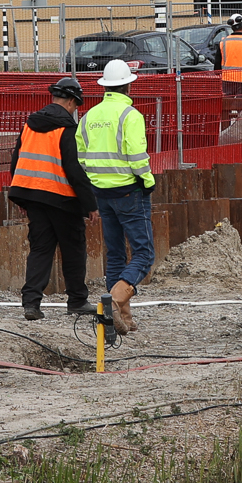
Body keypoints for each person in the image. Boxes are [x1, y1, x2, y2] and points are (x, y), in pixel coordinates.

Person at [8, 76, 97, 321]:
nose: (75, 111)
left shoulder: (30, 124)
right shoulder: (66, 127)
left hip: (32, 196)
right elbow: (73, 168)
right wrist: (90, 205)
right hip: (62, 199)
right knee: (73, 249)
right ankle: (77, 300)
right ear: (71, 101)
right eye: (75, 106)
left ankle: (31, 304)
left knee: (40, 249)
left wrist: (22, 199)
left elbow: (17, 161)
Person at [78, 59, 155, 333]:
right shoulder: (129, 115)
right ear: (128, 85)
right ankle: (114, 301)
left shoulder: (89, 117)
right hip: (129, 190)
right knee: (144, 254)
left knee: (115, 255)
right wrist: (147, 181)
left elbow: (82, 157)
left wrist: (98, 181)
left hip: (101, 192)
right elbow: (137, 156)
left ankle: (123, 318)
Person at [218, 13, 242, 114]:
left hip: (226, 80)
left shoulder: (223, 42)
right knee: (241, 110)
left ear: (232, 28)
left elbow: (217, 65)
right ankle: (240, 129)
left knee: (225, 109)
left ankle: (225, 129)